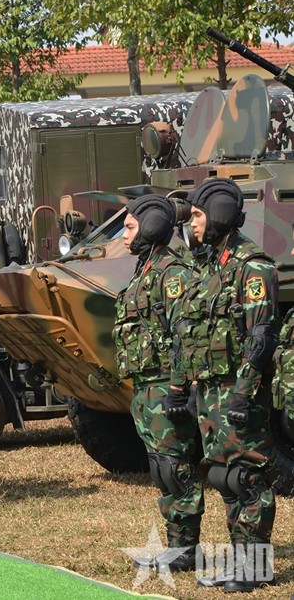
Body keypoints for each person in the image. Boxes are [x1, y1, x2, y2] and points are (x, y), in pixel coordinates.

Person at [171, 179, 278, 592]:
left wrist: (244, 391)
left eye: (197, 216)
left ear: (217, 215)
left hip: (238, 390)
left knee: (247, 479)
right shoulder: (213, 266)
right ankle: (243, 562)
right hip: (212, 390)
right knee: (224, 478)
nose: (193, 224)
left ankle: (256, 568)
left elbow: (261, 336)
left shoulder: (253, 266)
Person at [113, 195, 203, 570]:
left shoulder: (172, 272)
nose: (123, 235)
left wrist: (181, 388)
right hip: (148, 385)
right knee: (160, 466)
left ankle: (185, 549)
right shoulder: (147, 268)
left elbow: (186, 334)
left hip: (167, 384)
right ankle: (175, 543)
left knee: (174, 465)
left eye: (130, 227)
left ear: (150, 227)